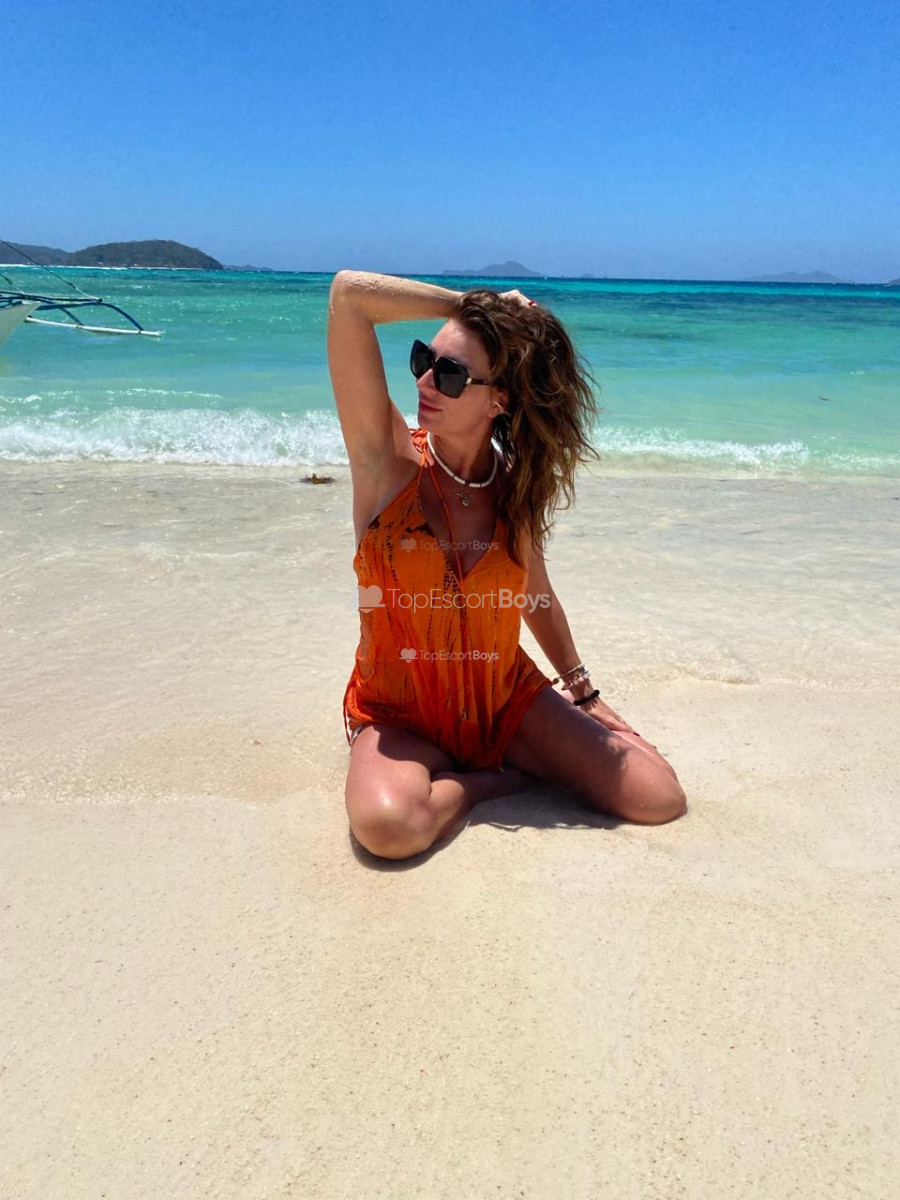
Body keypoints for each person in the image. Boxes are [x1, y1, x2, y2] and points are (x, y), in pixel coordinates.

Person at [328, 270, 687, 859]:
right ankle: (485, 783)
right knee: (389, 827)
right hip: (399, 712)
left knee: (659, 796)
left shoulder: (514, 491)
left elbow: (534, 593)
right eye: (423, 359)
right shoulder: (386, 464)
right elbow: (349, 296)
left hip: (499, 699)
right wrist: (476, 305)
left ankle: (497, 757)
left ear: (498, 399)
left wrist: (584, 693)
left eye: (449, 374)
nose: (425, 381)